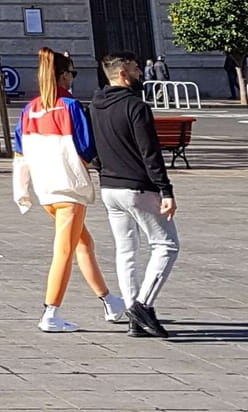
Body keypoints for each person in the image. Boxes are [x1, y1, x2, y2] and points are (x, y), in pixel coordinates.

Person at [13, 48, 128, 333]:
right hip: (68, 187)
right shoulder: (69, 106)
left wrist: (23, 190)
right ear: (64, 76)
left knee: (82, 243)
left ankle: (109, 301)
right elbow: (86, 146)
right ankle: (50, 312)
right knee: (64, 250)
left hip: (45, 188)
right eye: (72, 73)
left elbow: (19, 150)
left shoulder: (31, 109)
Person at [91, 53, 179, 340]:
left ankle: (133, 314)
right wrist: (165, 190)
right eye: (135, 68)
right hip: (137, 186)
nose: (140, 72)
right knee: (166, 245)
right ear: (122, 74)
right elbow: (149, 152)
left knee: (126, 249)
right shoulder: (136, 106)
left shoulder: (96, 105)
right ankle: (142, 306)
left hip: (109, 187)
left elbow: (91, 145)